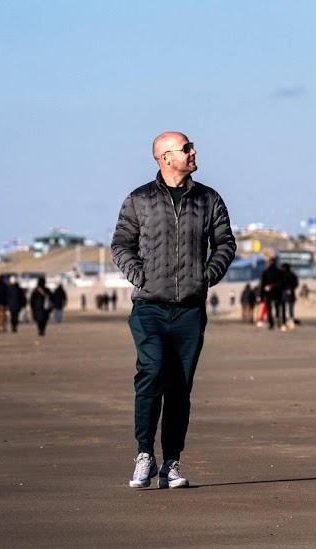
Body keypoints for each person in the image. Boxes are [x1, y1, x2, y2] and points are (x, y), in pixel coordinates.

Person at [112, 131, 236, 489]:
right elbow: (121, 244)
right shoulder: (139, 199)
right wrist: (140, 275)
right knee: (151, 373)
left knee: (180, 387)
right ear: (166, 158)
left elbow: (225, 243)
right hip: (149, 307)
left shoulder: (209, 199)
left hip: (190, 310)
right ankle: (143, 455)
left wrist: (206, 276)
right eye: (186, 148)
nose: (194, 151)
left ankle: (171, 462)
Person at [279, 262, 299, 330]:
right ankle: (289, 321)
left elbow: (281, 284)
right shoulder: (292, 275)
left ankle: (287, 321)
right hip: (287, 293)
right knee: (289, 309)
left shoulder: (284, 275)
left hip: (284, 294)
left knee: (287, 309)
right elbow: (296, 284)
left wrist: (288, 289)